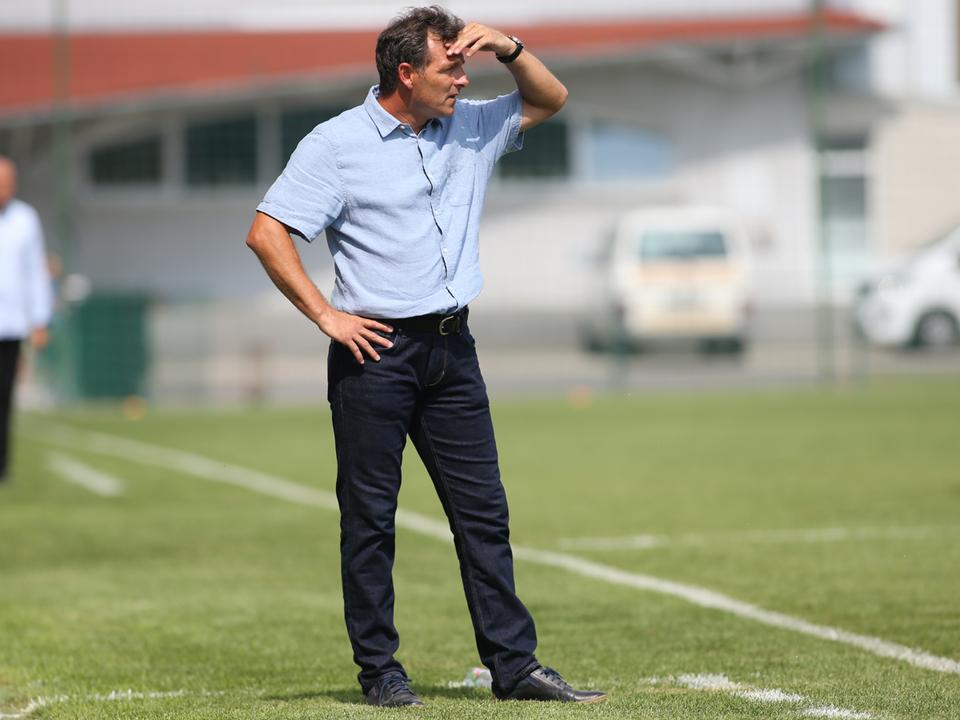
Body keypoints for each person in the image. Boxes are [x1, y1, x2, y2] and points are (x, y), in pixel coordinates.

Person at [246, 6, 606, 707]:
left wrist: (509, 46)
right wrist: (327, 316)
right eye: (451, 67)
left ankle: (514, 667)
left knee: (483, 515)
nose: (464, 80)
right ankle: (381, 671)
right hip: (375, 354)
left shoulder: (470, 125)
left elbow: (551, 97)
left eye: (466, 65)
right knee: (370, 521)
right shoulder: (336, 144)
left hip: (453, 351)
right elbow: (267, 232)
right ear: (406, 73)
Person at [0, 155, 53, 481]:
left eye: (8, 183)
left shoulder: (25, 219)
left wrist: (40, 319)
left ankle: (2, 465)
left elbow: (36, 272)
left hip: (11, 324)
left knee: (4, 395)